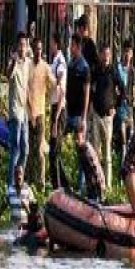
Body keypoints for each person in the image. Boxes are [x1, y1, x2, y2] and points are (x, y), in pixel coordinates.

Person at [54, 33, 91, 190]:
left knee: (81, 151)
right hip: (68, 113)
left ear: (77, 47)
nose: (70, 48)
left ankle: (81, 184)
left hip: (78, 116)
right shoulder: (71, 64)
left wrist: (83, 117)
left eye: (72, 45)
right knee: (57, 145)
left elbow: (87, 93)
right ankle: (61, 180)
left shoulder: (84, 67)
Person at [27, 36, 55, 189]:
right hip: (29, 113)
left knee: (39, 149)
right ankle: (30, 179)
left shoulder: (45, 67)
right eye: (36, 49)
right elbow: (25, 90)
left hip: (40, 114)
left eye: (40, 49)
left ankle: (41, 182)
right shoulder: (28, 66)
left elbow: (53, 84)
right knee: (29, 149)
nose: (38, 52)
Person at [7, 32, 31, 186]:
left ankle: (19, 177)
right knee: (15, 148)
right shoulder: (14, 62)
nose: (23, 48)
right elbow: (8, 74)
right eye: (21, 45)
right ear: (17, 47)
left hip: (24, 111)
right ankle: (11, 182)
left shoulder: (28, 62)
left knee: (26, 149)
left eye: (25, 45)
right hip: (15, 111)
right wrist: (13, 61)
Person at [91, 44, 116, 184]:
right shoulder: (96, 70)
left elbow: (122, 89)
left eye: (108, 54)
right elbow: (91, 88)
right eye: (104, 54)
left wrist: (115, 106)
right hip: (96, 115)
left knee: (107, 154)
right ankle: (96, 182)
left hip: (107, 117)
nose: (106, 57)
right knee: (95, 152)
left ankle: (108, 185)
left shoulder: (113, 71)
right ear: (100, 55)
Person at [48, 32, 68, 188]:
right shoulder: (54, 61)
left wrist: (56, 118)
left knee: (55, 150)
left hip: (59, 109)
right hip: (55, 107)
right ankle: (63, 184)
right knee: (54, 150)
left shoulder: (60, 62)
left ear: (56, 44)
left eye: (51, 42)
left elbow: (61, 91)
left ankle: (59, 186)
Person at [113, 38, 135, 168]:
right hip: (120, 106)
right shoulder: (118, 68)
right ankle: (122, 165)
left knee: (130, 137)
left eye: (130, 52)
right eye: (126, 51)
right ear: (123, 52)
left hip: (129, 108)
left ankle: (129, 165)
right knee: (122, 137)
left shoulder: (132, 71)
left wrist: (133, 100)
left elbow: (133, 90)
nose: (128, 55)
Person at [75, 123, 106, 202]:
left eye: (78, 138)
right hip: (90, 185)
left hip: (96, 185)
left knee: (95, 203)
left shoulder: (87, 151)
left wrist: (100, 187)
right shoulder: (80, 149)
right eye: (75, 138)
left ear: (83, 137)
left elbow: (96, 170)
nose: (76, 141)